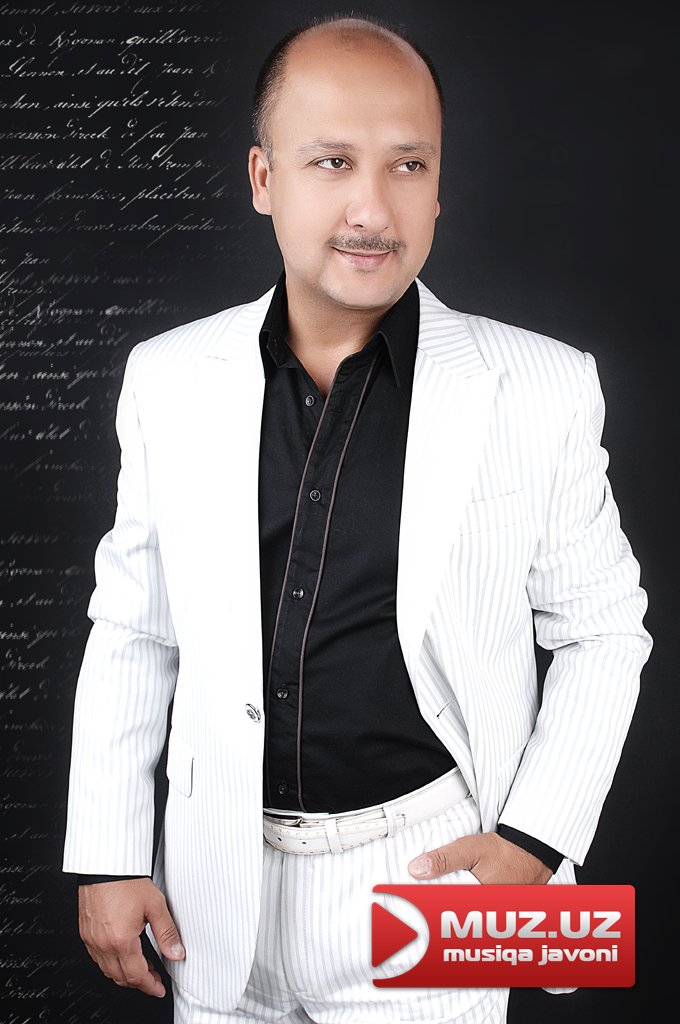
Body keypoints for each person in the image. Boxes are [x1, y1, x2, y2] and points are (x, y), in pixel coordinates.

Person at [63, 13, 652, 1024]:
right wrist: (108, 853)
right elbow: (135, 626)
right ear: (263, 179)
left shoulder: (541, 386)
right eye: (331, 161)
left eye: (407, 165)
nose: (372, 207)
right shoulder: (166, 378)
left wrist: (533, 842)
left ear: (439, 184)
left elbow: (603, 629)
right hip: (215, 876)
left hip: (431, 867)